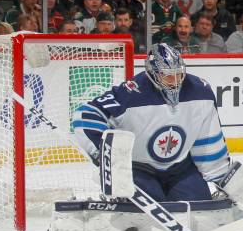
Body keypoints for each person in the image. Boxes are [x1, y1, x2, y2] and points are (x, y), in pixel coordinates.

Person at [72, 43, 230, 202]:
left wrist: (221, 178)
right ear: (153, 73)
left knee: (201, 207)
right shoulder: (131, 93)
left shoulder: (199, 91)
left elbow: (208, 139)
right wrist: (103, 154)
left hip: (180, 168)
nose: (175, 81)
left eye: (178, 74)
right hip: (138, 169)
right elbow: (86, 114)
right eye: (167, 76)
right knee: (142, 217)